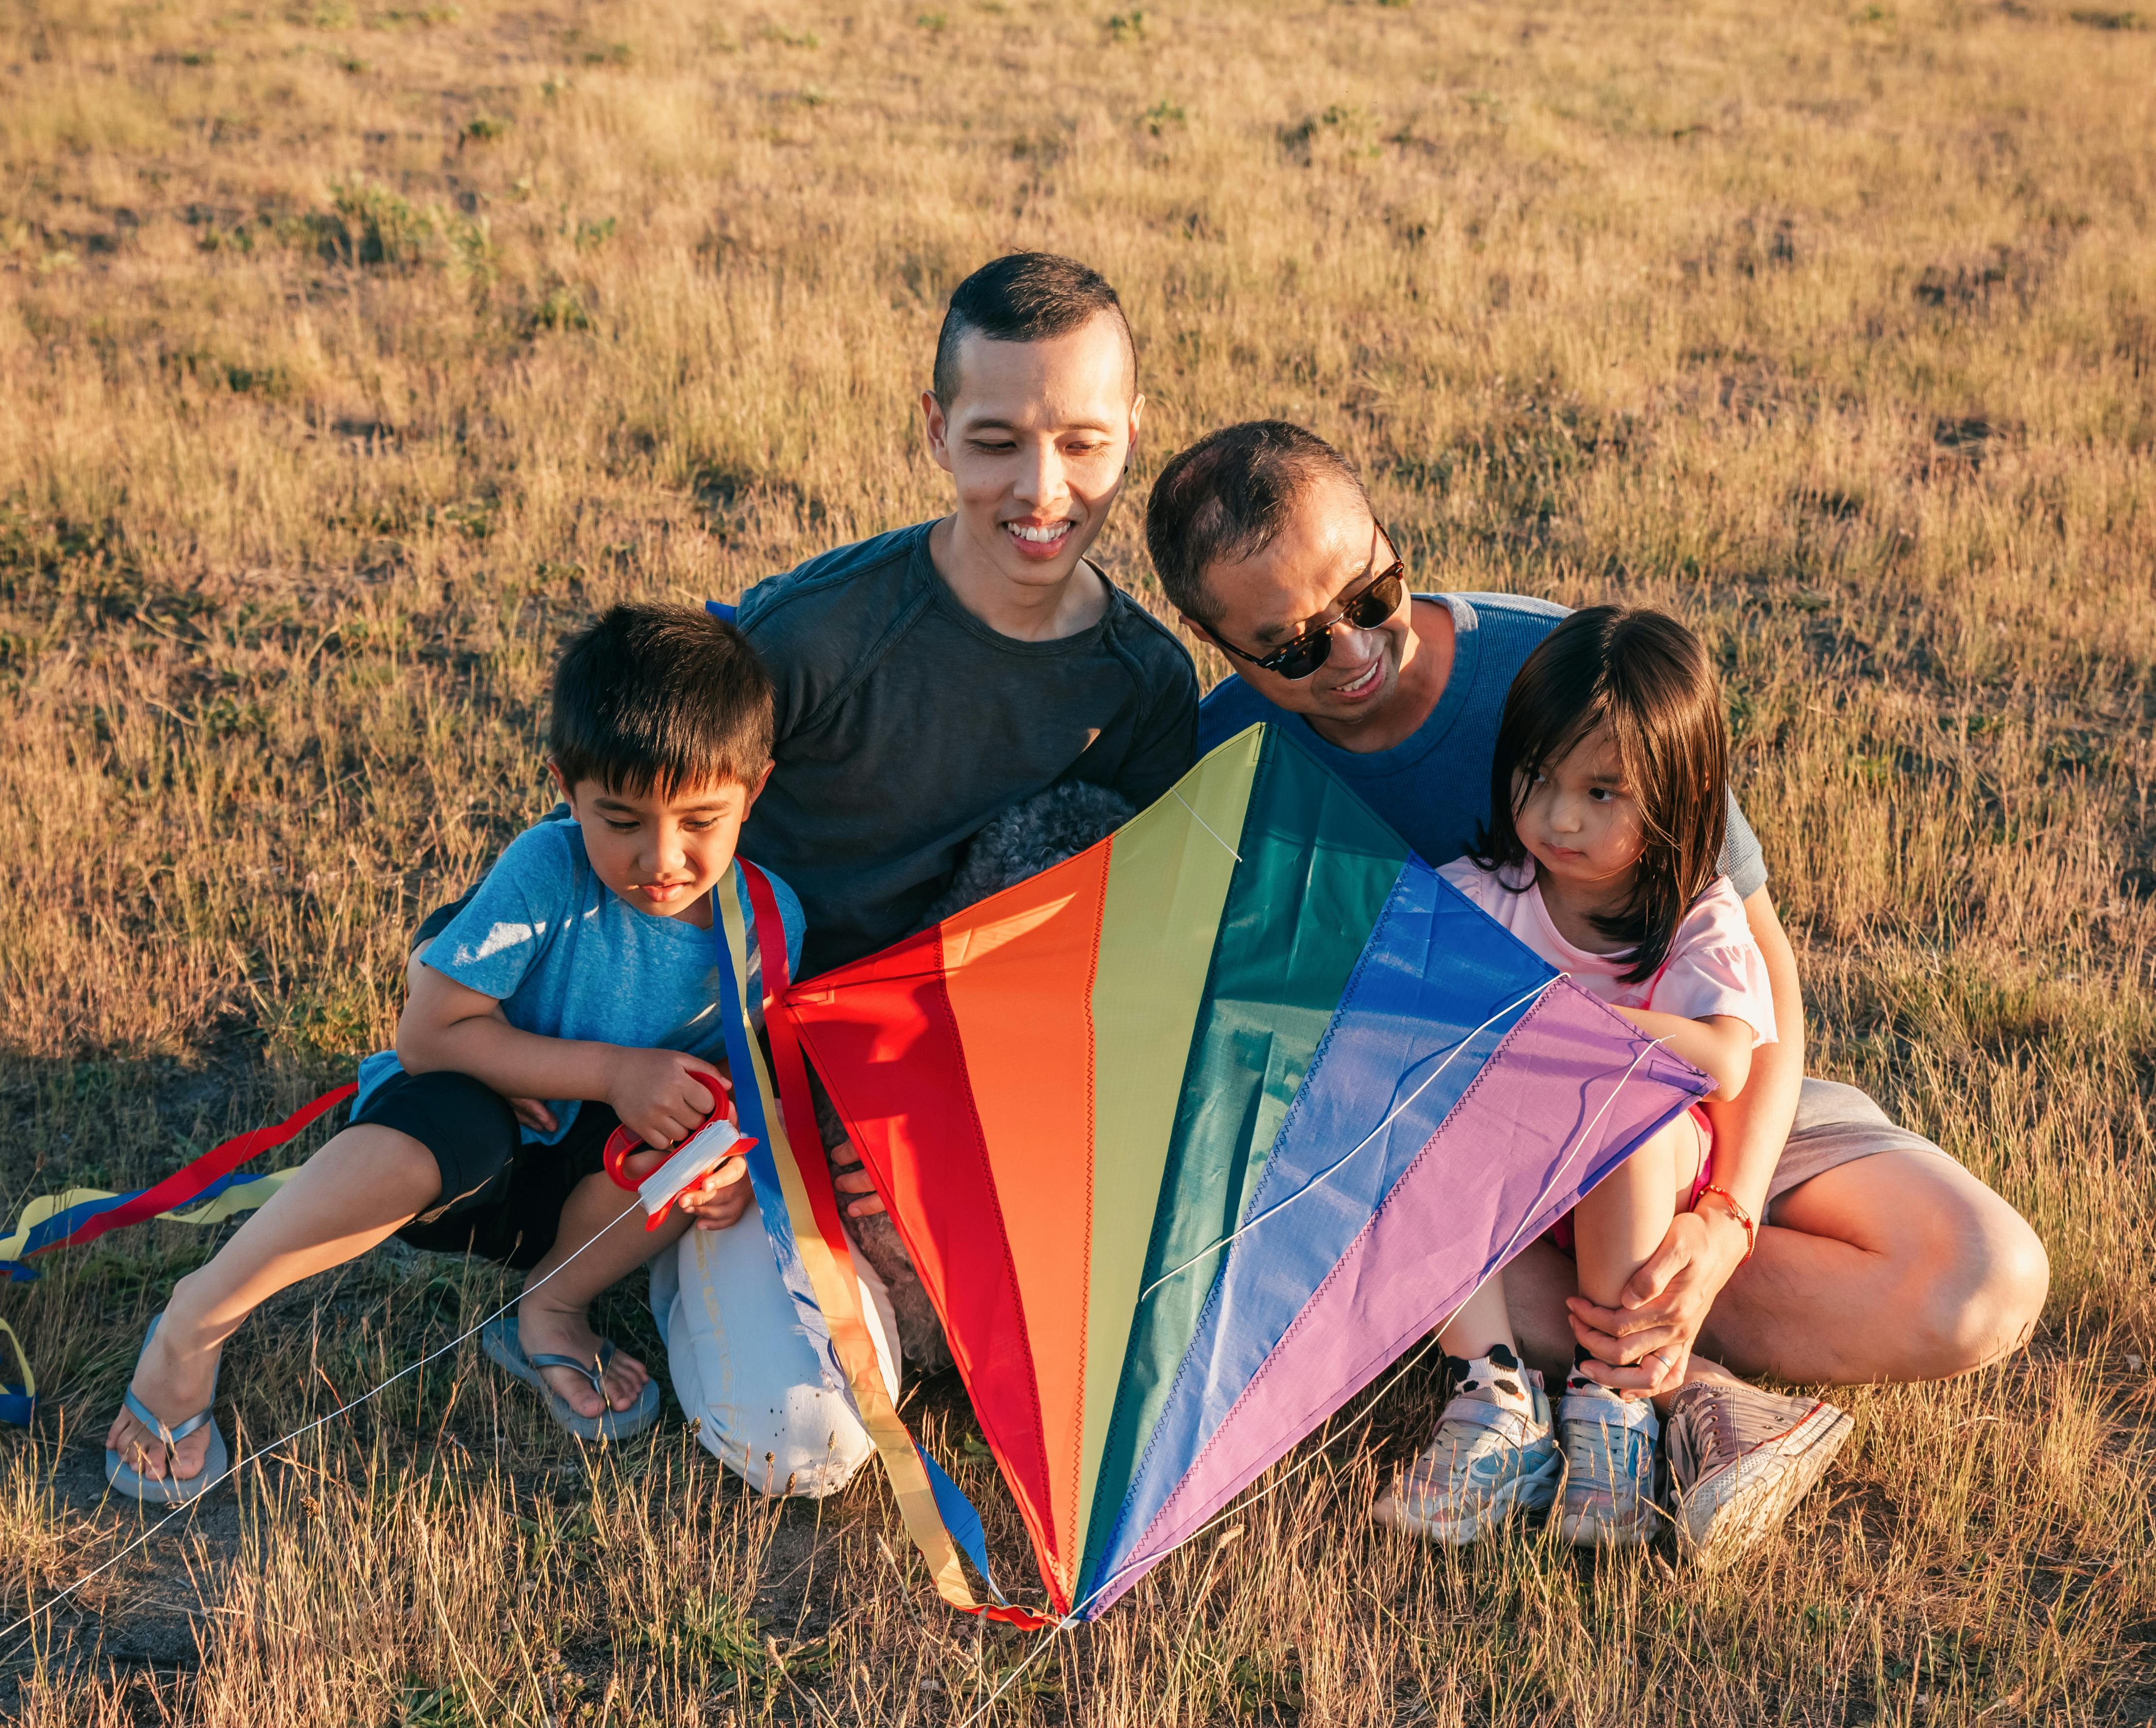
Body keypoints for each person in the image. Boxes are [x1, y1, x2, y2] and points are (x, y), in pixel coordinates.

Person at [1142, 420, 2049, 1551]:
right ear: (1217, 643)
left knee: (1983, 1277)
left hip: (1673, 1093)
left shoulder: (1574, 677)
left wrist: (1722, 1218)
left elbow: (1755, 969)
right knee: (1325, 1217)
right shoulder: (1218, 771)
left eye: (1367, 592)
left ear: (1385, 536)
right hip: (1446, 1148)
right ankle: (1682, 1390)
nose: (1352, 652)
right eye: (1289, 646)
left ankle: (1626, 1349)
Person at [651, 251, 1202, 1493]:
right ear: (933, 429)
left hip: (978, 1102)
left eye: (1081, 442)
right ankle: (716, 1260)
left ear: (1130, 436)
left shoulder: (1144, 686)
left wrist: (944, 1123)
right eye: (997, 440)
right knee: (809, 1441)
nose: (1040, 488)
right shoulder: (814, 638)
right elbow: (641, 854)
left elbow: (1143, 967)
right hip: (768, 1096)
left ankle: (930, 1287)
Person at [104, 603, 801, 1501]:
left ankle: (549, 1309)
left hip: (591, 1190)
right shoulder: (547, 873)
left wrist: (726, 1165)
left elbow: (755, 1085)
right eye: (620, 819)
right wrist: (612, 1073)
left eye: (701, 819)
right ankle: (194, 1323)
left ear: (756, 789)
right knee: (457, 1130)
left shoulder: (771, 922)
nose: (659, 858)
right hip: (463, 1148)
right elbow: (428, 1033)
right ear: (566, 786)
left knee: (698, 1144)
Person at [1372, 605, 1852, 1559]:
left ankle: (1617, 1407)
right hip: (1511, 1187)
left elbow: (1720, 1058)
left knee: (1628, 1108)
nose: (1557, 819)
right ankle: (1494, 1393)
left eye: (1602, 793)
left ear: (1678, 798)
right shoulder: (1485, 894)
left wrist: (1566, 1028)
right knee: (1412, 1118)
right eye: (1538, 780)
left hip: (1644, 1182)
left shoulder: (1696, 917)